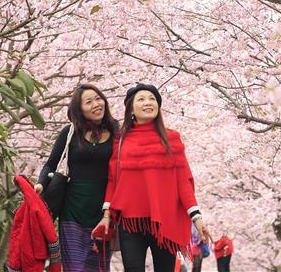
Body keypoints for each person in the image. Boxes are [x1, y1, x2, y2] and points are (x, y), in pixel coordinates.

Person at [93, 83, 213, 272]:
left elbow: (183, 182)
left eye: (152, 99)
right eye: (141, 99)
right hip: (130, 222)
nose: (148, 102)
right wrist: (107, 215)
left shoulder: (172, 138)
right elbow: (113, 180)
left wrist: (197, 219)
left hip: (165, 221)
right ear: (131, 108)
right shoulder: (120, 139)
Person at [36, 84, 120, 272]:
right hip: (73, 208)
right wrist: (40, 184)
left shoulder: (116, 132)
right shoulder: (70, 132)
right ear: (79, 109)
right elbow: (51, 163)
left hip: (104, 210)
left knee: (99, 266)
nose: (96, 104)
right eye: (89, 102)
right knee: (75, 267)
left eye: (98, 99)